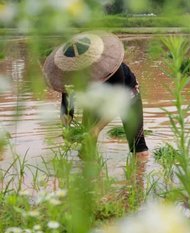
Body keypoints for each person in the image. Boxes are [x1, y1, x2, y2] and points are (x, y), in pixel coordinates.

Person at [43, 31, 149, 159]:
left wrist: (97, 129)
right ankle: (89, 172)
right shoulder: (70, 76)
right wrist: (66, 128)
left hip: (126, 96)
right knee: (86, 147)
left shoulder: (113, 69)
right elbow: (67, 105)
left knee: (139, 149)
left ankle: (139, 176)